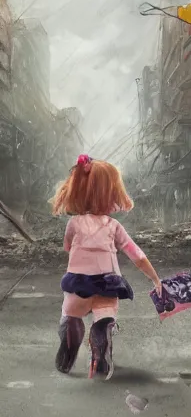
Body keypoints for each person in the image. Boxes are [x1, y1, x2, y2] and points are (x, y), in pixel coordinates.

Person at [51, 154, 162, 380]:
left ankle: (70, 339)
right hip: (109, 284)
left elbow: (67, 246)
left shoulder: (74, 223)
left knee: (71, 315)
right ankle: (102, 336)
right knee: (105, 316)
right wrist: (155, 279)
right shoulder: (114, 226)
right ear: (111, 194)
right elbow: (136, 254)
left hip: (78, 284)